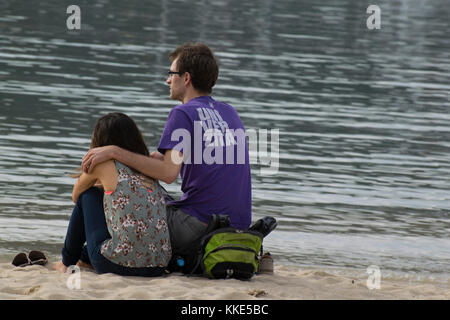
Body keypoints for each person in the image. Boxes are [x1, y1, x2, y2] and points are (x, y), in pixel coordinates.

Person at [81, 43, 252, 258]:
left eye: (171, 73)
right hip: (239, 228)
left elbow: (168, 173)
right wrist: (158, 158)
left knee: (117, 196)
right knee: (151, 194)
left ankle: (86, 255)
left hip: (200, 227)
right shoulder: (229, 113)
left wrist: (114, 151)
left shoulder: (183, 113)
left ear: (186, 78)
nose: (168, 80)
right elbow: (205, 158)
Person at [54, 112, 171, 276]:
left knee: (88, 196)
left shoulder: (103, 164)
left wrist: (97, 183)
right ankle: (83, 260)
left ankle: (66, 262)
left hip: (117, 265)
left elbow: (75, 195)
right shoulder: (148, 167)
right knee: (116, 214)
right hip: (157, 266)